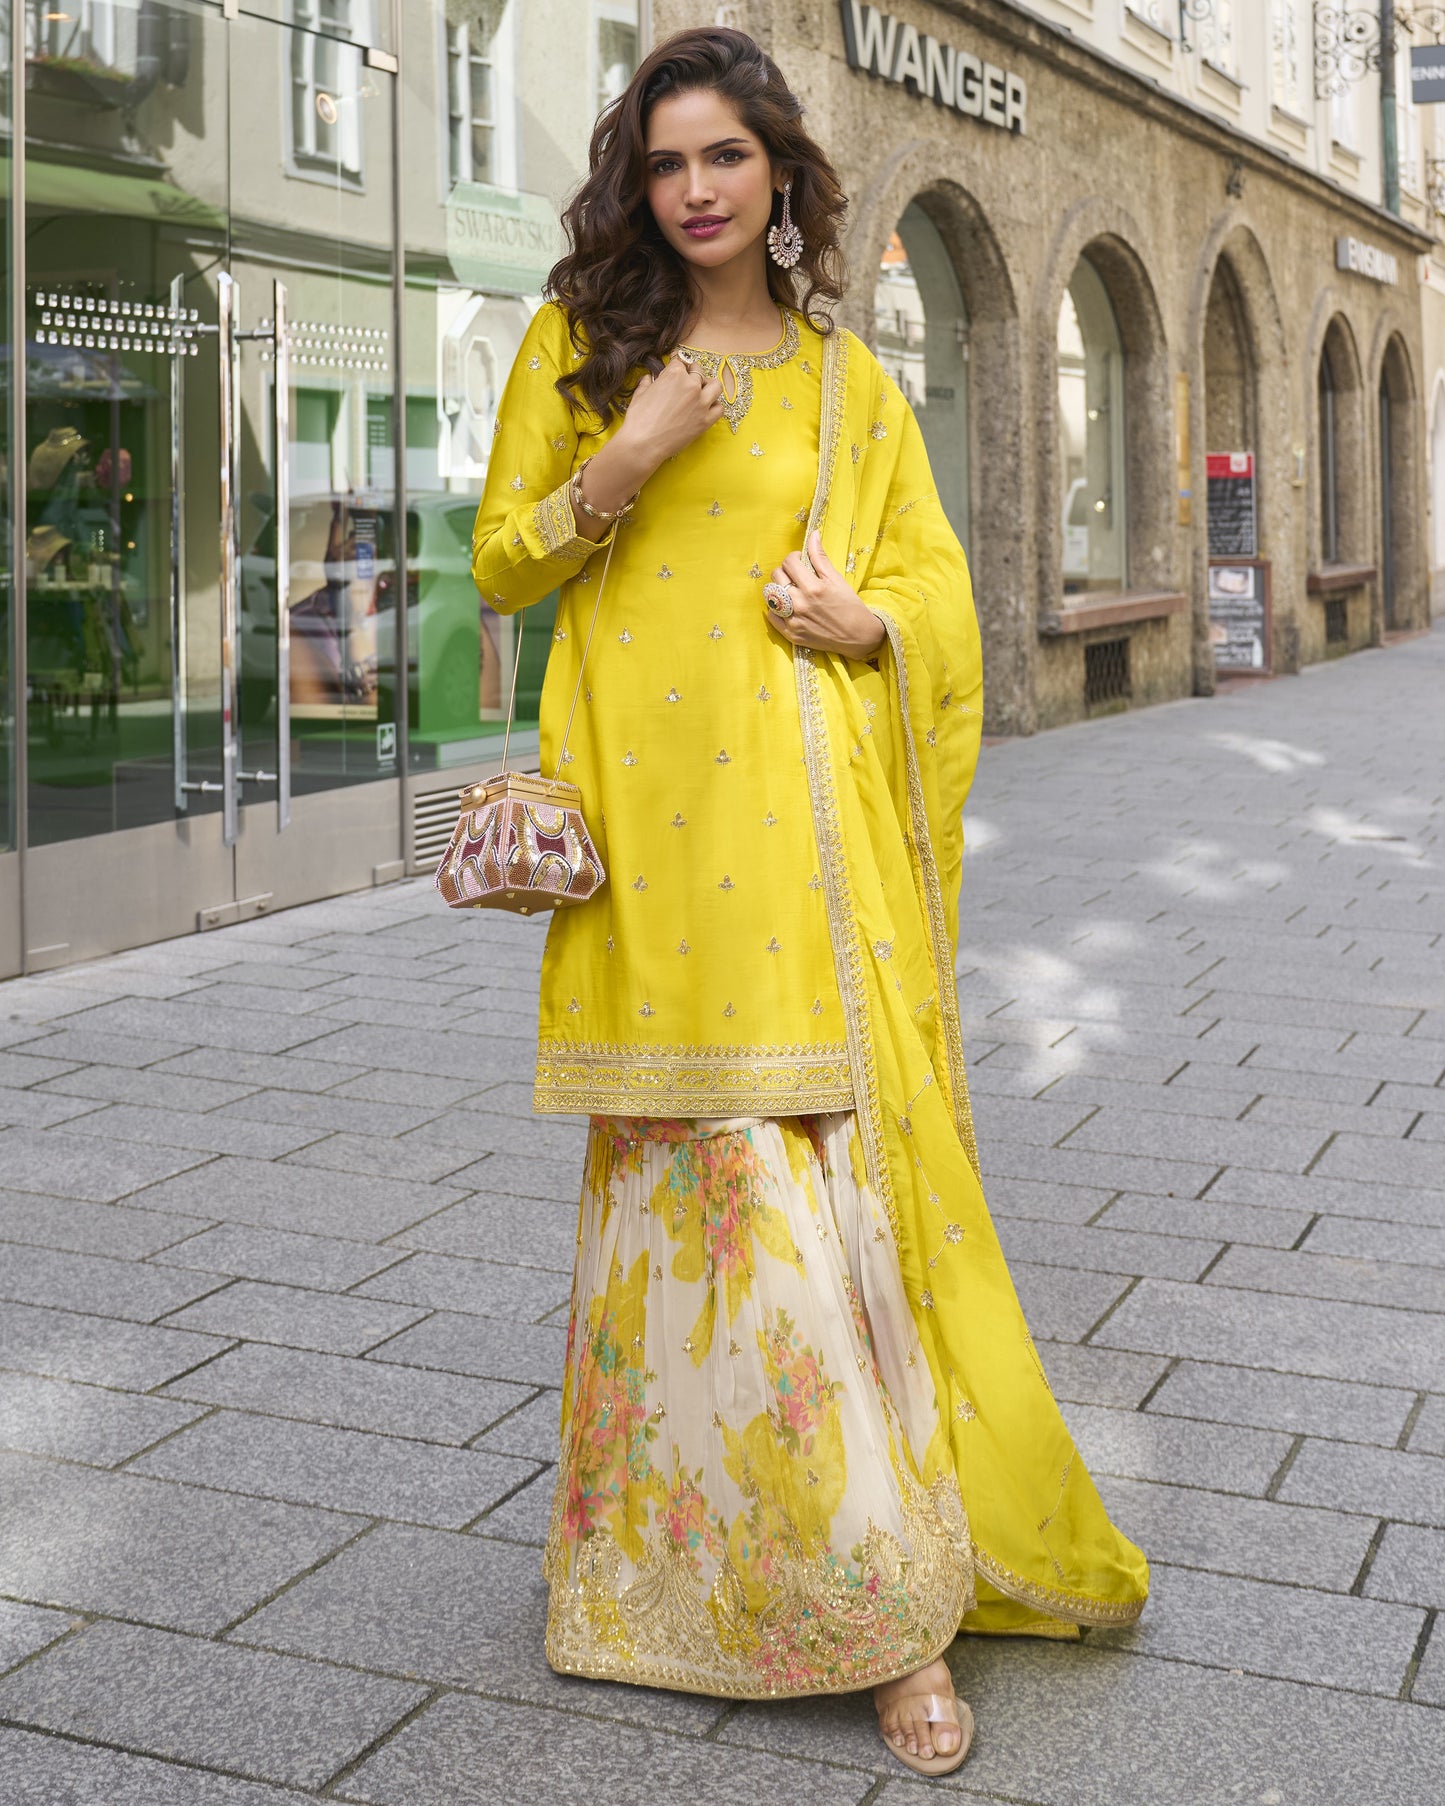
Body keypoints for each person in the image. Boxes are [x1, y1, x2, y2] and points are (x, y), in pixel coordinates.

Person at [470, 26, 1147, 1779]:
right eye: (666, 163)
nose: (694, 191)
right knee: (680, 1225)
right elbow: (502, 557)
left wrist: (871, 630)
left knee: (803, 1233)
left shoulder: (851, 385)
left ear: (779, 178)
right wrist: (629, 452)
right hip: (649, 851)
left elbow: (925, 590)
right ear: (638, 181)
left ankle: (895, 1612)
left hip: (804, 861)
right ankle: (655, 1585)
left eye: (725, 161)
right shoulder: (579, 345)